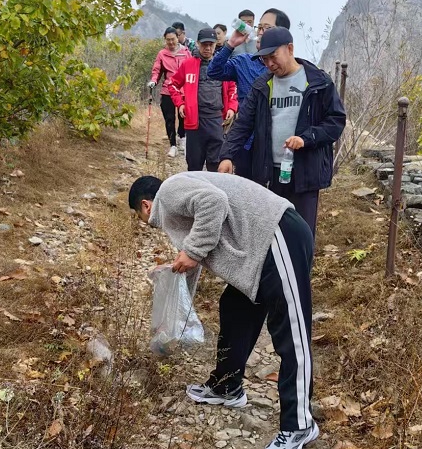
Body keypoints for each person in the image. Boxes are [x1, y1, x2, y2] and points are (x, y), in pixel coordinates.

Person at [128, 172, 319, 449]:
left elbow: (213, 202)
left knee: (292, 334)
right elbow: (194, 255)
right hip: (255, 255)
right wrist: (174, 279)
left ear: (146, 205)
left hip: (278, 237)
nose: (143, 222)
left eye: (138, 215)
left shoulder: (169, 192)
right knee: (234, 308)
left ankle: (300, 425)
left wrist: (191, 252)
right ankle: (226, 387)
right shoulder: (173, 208)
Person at [218, 27, 346, 238]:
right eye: (265, 59)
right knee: (272, 234)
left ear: (290, 48)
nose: (269, 63)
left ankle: (300, 272)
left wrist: (307, 138)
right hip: (271, 173)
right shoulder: (263, 85)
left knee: (302, 235)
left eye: (273, 56)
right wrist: (227, 155)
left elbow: (336, 121)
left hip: (305, 172)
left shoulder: (317, 81)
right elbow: (243, 124)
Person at [208, 8, 291, 178]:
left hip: (274, 145)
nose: (260, 32)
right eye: (259, 28)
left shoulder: (288, 70)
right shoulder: (244, 62)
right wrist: (230, 44)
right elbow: (214, 72)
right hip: (245, 142)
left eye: (266, 28)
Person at [169, 28, 237, 172]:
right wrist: (180, 103)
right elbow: (172, 85)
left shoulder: (223, 65)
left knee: (215, 165)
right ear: (198, 43)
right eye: (204, 44)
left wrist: (231, 107)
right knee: (194, 165)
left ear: (215, 45)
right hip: (194, 121)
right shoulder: (188, 64)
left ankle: (214, 193)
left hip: (217, 121)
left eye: (211, 45)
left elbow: (233, 89)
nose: (207, 48)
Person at [148, 27, 191, 158]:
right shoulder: (162, 54)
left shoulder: (186, 52)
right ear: (165, 40)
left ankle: (182, 137)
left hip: (183, 90)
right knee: (169, 118)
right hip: (168, 90)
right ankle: (173, 145)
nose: (171, 42)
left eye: (173, 39)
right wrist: (154, 81)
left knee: (184, 115)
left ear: (178, 38)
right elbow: (157, 70)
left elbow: (191, 68)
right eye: (168, 40)